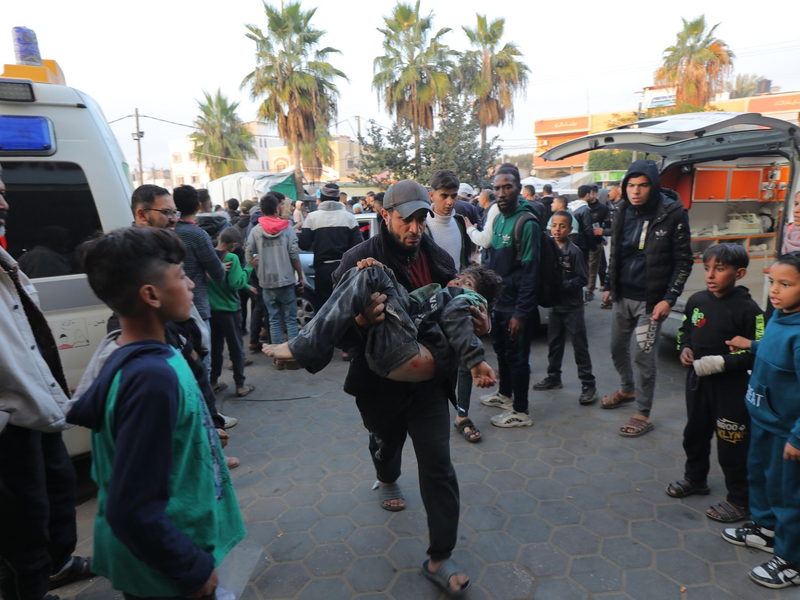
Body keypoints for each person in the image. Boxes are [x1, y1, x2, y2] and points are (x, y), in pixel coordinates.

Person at [67, 227, 246, 600]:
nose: (191, 286)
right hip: (168, 568)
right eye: (181, 276)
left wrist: (200, 432)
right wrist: (191, 570)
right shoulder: (150, 379)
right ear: (150, 295)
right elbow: (131, 507)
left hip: (169, 554)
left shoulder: (141, 352)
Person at [330, 179, 487, 595]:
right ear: (385, 216)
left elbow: (455, 308)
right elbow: (334, 328)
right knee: (386, 445)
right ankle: (385, 475)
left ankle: (440, 556)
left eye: (421, 219)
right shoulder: (357, 259)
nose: (415, 228)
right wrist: (361, 324)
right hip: (379, 385)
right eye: (407, 219)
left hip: (429, 383)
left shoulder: (436, 256)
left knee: (437, 465)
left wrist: (478, 325)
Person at [0, 167, 93, 600]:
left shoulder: (8, 263)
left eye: (3, 194)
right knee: (23, 532)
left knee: (53, 505)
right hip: (11, 424)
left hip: (39, 409)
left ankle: (52, 571)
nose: (4, 205)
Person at [265, 260, 501, 391]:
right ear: (387, 216)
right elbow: (407, 304)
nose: (458, 282)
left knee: (373, 273)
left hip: (408, 354)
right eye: (458, 279)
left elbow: (456, 318)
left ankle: (307, 349)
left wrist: (475, 359)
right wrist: (383, 271)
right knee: (368, 272)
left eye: (466, 283)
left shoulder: (466, 300)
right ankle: (310, 353)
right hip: (393, 352)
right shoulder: (442, 294)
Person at [666, 244, 763, 524]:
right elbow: (686, 329)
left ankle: (739, 500)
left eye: (719, 269)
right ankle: (695, 479)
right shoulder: (697, 301)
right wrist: (684, 348)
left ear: (739, 273)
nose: (710, 275)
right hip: (697, 383)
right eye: (707, 268)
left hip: (731, 388)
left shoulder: (751, 311)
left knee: (732, 443)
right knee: (694, 433)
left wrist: (722, 362)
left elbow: (759, 351)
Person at [722, 252, 800, 589]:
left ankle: (792, 560)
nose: (775, 290)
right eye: (772, 282)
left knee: (788, 496)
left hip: (786, 432)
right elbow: (773, 350)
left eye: (786, 284)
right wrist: (751, 344)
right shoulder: (781, 317)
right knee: (761, 480)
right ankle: (766, 530)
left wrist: (798, 437)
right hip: (763, 419)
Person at [600, 160, 693, 437]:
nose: (635, 191)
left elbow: (684, 261)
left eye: (642, 185)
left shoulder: (673, 213)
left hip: (651, 302)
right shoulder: (622, 210)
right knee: (617, 348)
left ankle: (643, 412)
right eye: (630, 185)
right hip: (622, 296)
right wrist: (607, 284)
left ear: (653, 186)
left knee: (642, 355)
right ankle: (627, 389)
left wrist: (669, 298)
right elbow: (616, 252)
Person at [479, 164, 540, 428]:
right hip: (499, 304)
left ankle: (521, 411)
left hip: (516, 308)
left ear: (518, 189)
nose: (501, 193)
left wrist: (521, 312)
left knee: (518, 359)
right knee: (502, 353)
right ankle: (505, 395)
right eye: (497, 188)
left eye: (507, 187)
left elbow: (531, 274)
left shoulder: (527, 223)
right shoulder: (499, 218)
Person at [427, 170, 480, 441]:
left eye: (453, 196)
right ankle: (431, 414)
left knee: (464, 359)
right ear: (431, 195)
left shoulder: (461, 222)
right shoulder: (421, 225)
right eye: (444, 196)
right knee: (435, 361)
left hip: (459, 300)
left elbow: (469, 259)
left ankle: (462, 414)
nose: (449, 201)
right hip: (432, 305)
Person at [534, 211, 597, 404]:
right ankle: (554, 377)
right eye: (554, 225)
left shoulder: (574, 251)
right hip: (555, 307)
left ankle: (588, 384)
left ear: (570, 229)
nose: (557, 229)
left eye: (562, 226)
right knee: (555, 345)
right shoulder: (548, 249)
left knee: (580, 347)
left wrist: (562, 286)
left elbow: (583, 278)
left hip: (573, 309)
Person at [246, 193, 304, 359]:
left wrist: (258, 271)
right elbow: (294, 255)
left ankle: (278, 358)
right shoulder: (287, 228)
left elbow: (248, 255)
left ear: (262, 210)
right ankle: (292, 355)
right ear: (277, 209)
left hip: (266, 283)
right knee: (291, 319)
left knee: (274, 320)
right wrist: (300, 277)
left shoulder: (256, 231)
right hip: (286, 280)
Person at [172, 185, 226, 346]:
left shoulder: (168, 230)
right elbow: (218, 273)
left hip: (171, 308)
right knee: (203, 364)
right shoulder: (197, 234)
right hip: (196, 308)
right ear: (198, 206)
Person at [208, 228, 257, 398]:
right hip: (229, 310)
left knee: (215, 347)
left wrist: (247, 286)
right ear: (234, 244)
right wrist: (249, 268)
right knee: (236, 347)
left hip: (212, 310)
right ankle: (240, 385)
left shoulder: (209, 256)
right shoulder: (232, 257)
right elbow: (235, 283)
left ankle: (213, 381)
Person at [298, 182, 362, 306]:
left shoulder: (312, 218)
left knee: (324, 308)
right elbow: (358, 245)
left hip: (322, 271)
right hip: (345, 269)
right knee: (346, 307)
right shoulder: (349, 217)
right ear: (338, 198)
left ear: (321, 198)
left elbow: (304, 244)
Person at [586, 185, 611, 301]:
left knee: (592, 268)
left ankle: (589, 290)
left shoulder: (603, 208)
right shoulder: (581, 206)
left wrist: (603, 234)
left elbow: (608, 224)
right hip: (582, 242)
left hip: (596, 241)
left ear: (594, 194)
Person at [568, 185, 597, 266]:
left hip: (571, 240)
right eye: (591, 193)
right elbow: (588, 229)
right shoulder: (585, 209)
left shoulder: (571, 206)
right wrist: (594, 246)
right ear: (587, 195)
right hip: (583, 244)